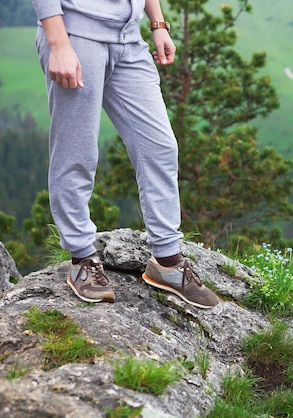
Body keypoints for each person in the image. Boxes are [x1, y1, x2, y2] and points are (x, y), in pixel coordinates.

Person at [31, 0, 219, 309]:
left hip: (129, 39)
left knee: (159, 146)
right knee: (76, 151)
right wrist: (58, 43)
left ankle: (167, 261)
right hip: (77, 34)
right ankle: (81, 259)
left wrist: (157, 22)